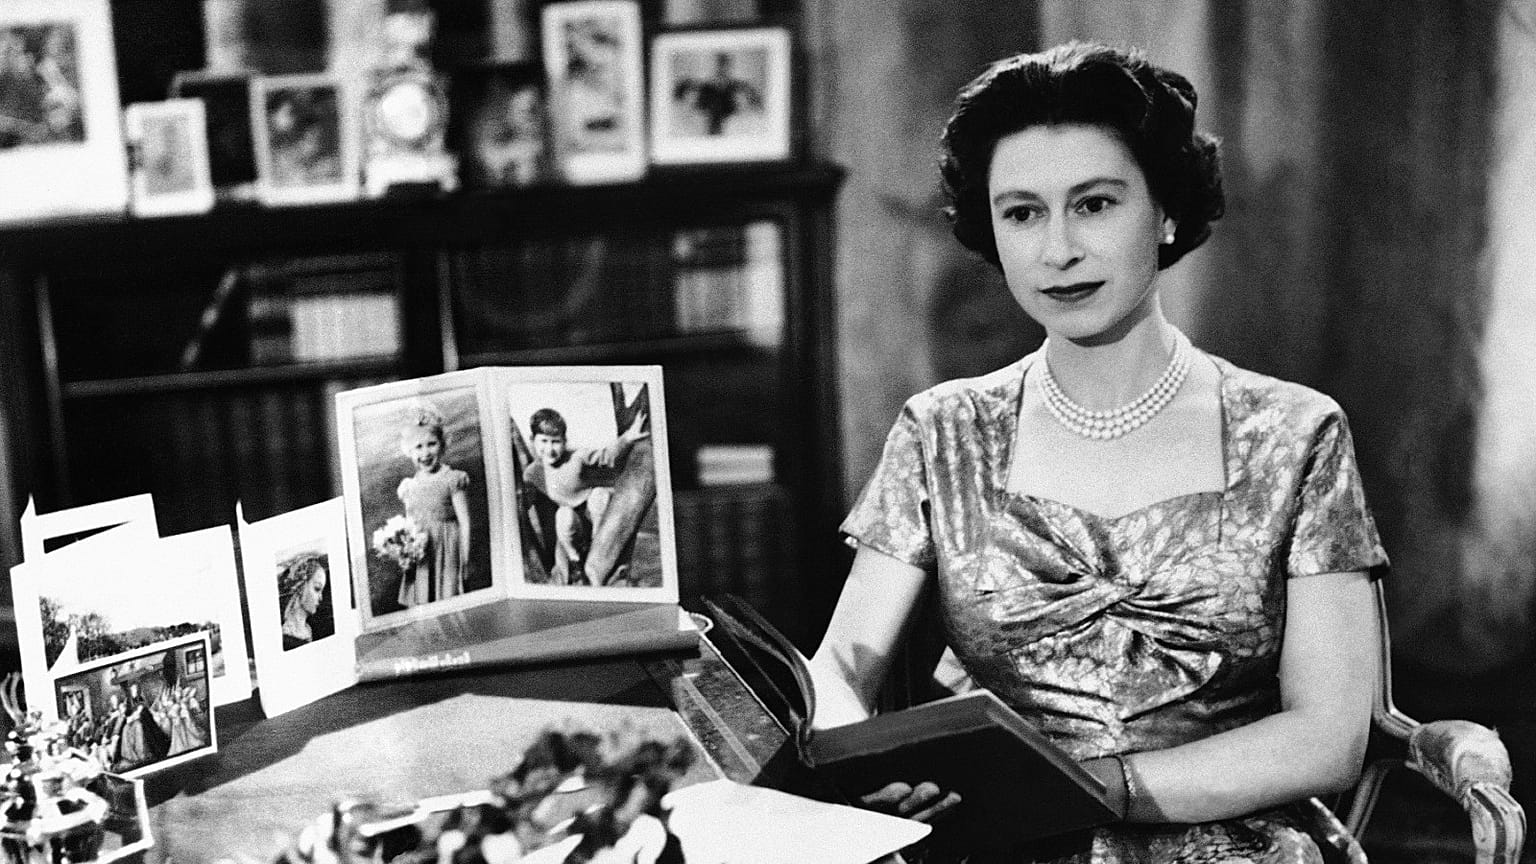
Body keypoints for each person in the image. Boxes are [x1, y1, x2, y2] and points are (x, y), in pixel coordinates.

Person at [807, 42, 1387, 863]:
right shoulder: (942, 431)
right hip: (999, 840)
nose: (1057, 251)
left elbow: (1328, 737)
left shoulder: (1294, 433)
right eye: (1022, 212)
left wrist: (1096, 787)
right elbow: (841, 666)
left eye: (1095, 203)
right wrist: (856, 763)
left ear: (1167, 211)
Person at [522, 407, 649, 586]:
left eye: (555, 442)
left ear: (564, 442)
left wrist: (628, 437)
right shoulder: (532, 473)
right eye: (544, 441)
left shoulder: (577, 457)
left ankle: (597, 545)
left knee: (599, 494)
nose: (549, 449)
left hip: (592, 514)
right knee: (563, 514)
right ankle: (576, 563)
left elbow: (606, 456)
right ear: (532, 441)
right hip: (571, 523)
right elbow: (526, 500)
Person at [396, 400, 472, 607]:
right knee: (423, 599)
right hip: (423, 552)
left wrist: (464, 560)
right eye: (418, 447)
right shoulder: (409, 487)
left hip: (447, 547)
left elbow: (465, 522)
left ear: (442, 444)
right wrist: (406, 553)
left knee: (448, 599)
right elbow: (409, 527)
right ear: (409, 451)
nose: (425, 453)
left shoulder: (452, 479)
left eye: (431, 444)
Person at [278, 553, 329, 649]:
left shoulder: (309, 630)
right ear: (301, 586)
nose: (321, 597)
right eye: (317, 589)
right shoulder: (284, 633)